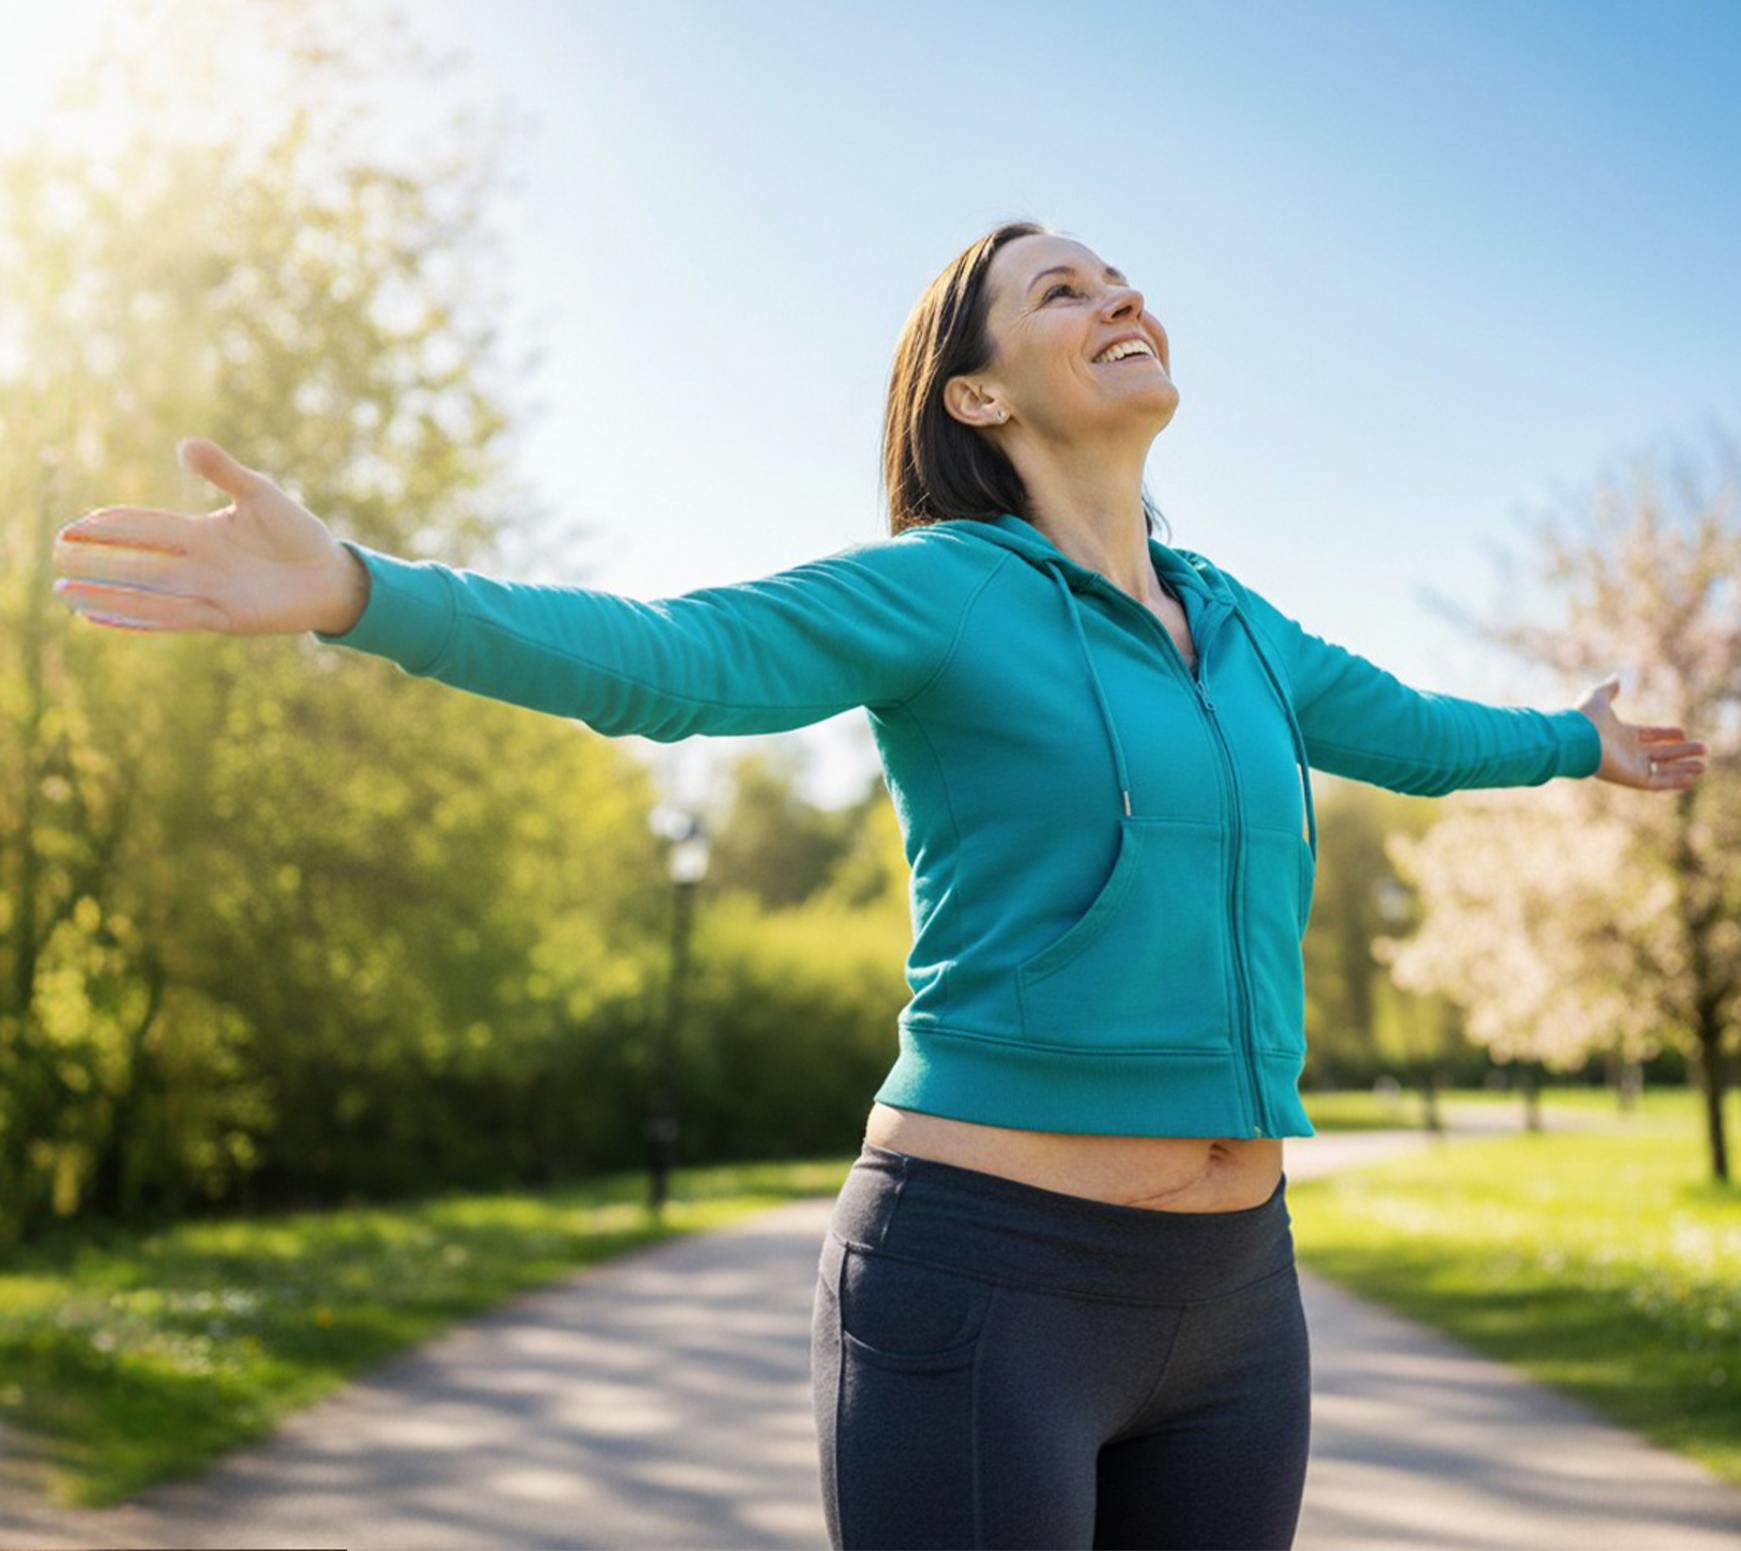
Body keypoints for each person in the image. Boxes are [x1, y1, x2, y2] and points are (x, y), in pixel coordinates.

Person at [51, 219, 1705, 1551]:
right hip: (986, 1285)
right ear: (976, 397)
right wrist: (357, 589)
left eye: (1119, 274)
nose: (1117, 291)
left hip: (1235, 1302)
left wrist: (1578, 740)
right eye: (1059, 289)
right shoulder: (939, 593)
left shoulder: (1242, 624)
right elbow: (670, 663)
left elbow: (1410, 734)